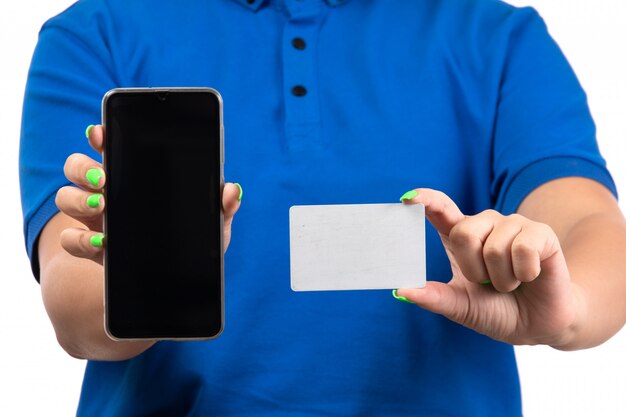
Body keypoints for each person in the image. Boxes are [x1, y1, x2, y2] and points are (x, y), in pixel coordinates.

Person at [19, 0, 626, 415]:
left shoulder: (495, 35)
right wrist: (156, 274)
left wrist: (567, 306)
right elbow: (76, 312)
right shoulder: (94, 32)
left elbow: (587, 220)